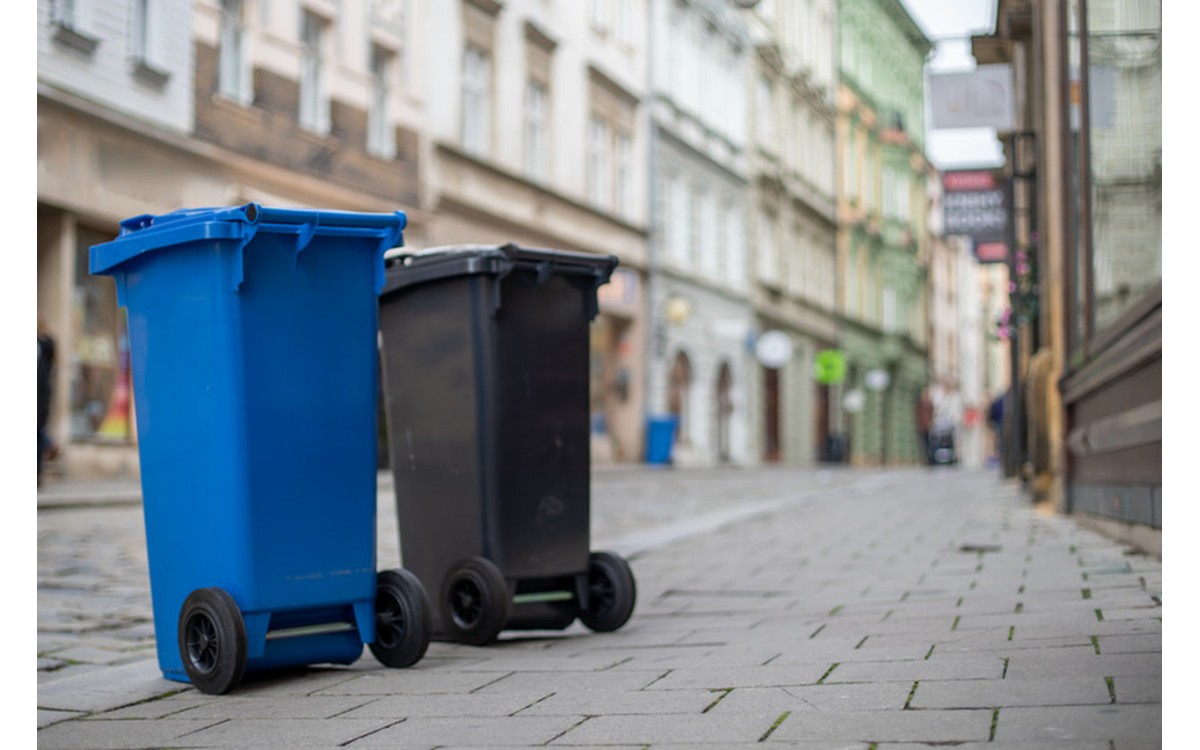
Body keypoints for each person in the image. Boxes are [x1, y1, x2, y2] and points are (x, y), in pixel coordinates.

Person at [38, 314, 58, 486]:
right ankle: (49, 443)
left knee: (38, 432)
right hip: (41, 394)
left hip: (41, 395)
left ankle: (37, 474)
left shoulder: (46, 344)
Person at [915, 388, 934, 466]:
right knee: (922, 443)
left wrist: (931, 423)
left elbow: (932, 414)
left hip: (928, 427)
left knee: (929, 443)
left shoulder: (929, 404)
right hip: (921, 426)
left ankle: (929, 459)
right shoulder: (920, 404)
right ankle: (923, 459)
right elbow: (917, 414)